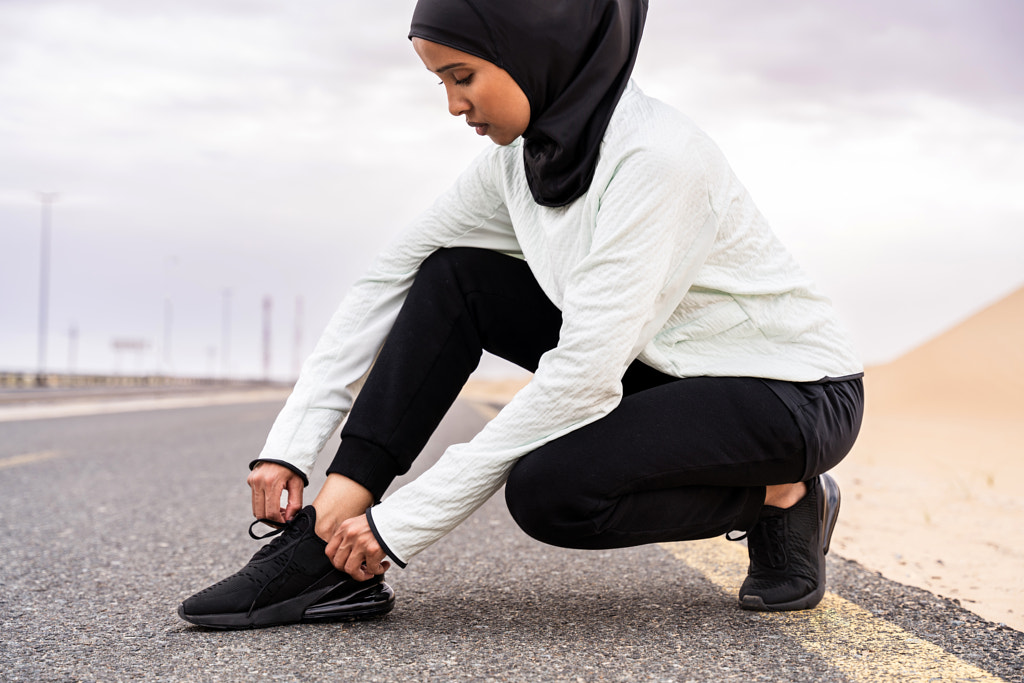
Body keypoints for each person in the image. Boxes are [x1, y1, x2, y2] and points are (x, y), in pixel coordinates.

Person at [178, 0, 863, 630]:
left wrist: (401, 526)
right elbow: (390, 274)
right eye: (441, 82)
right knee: (454, 276)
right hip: (665, 366)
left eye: (463, 76)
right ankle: (328, 535)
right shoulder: (517, 160)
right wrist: (291, 443)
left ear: (537, 49)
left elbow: (584, 374)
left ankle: (783, 495)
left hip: (789, 394)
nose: (453, 105)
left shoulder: (659, 159)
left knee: (551, 490)